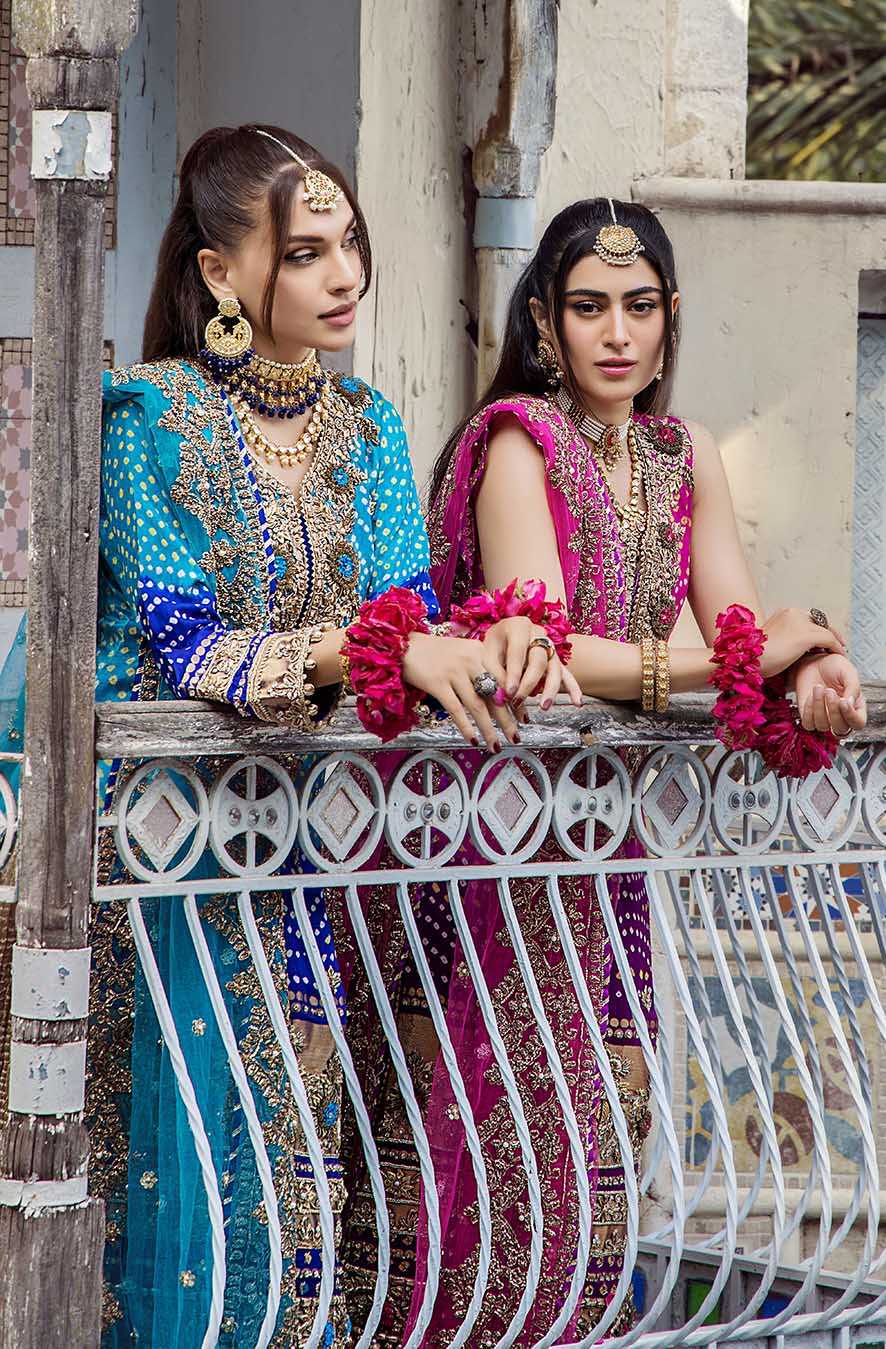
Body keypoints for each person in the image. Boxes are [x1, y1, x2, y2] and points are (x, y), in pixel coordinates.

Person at [82, 124, 565, 1347]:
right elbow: (191, 644)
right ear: (220, 273)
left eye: (348, 242)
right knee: (180, 1193)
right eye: (304, 253)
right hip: (161, 859)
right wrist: (379, 647)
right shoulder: (150, 416)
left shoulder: (368, 424)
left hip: (305, 853)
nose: (344, 273)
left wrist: (497, 636)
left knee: (299, 1178)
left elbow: (414, 620)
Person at [420, 196, 867, 1342]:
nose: (616, 333)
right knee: (507, 1122)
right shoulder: (517, 442)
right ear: (544, 320)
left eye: (639, 306)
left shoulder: (683, 452)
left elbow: (741, 628)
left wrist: (812, 659)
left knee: (603, 1119)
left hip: (609, 834)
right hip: (503, 822)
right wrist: (734, 660)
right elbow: (544, 651)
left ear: (671, 318)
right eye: (588, 308)